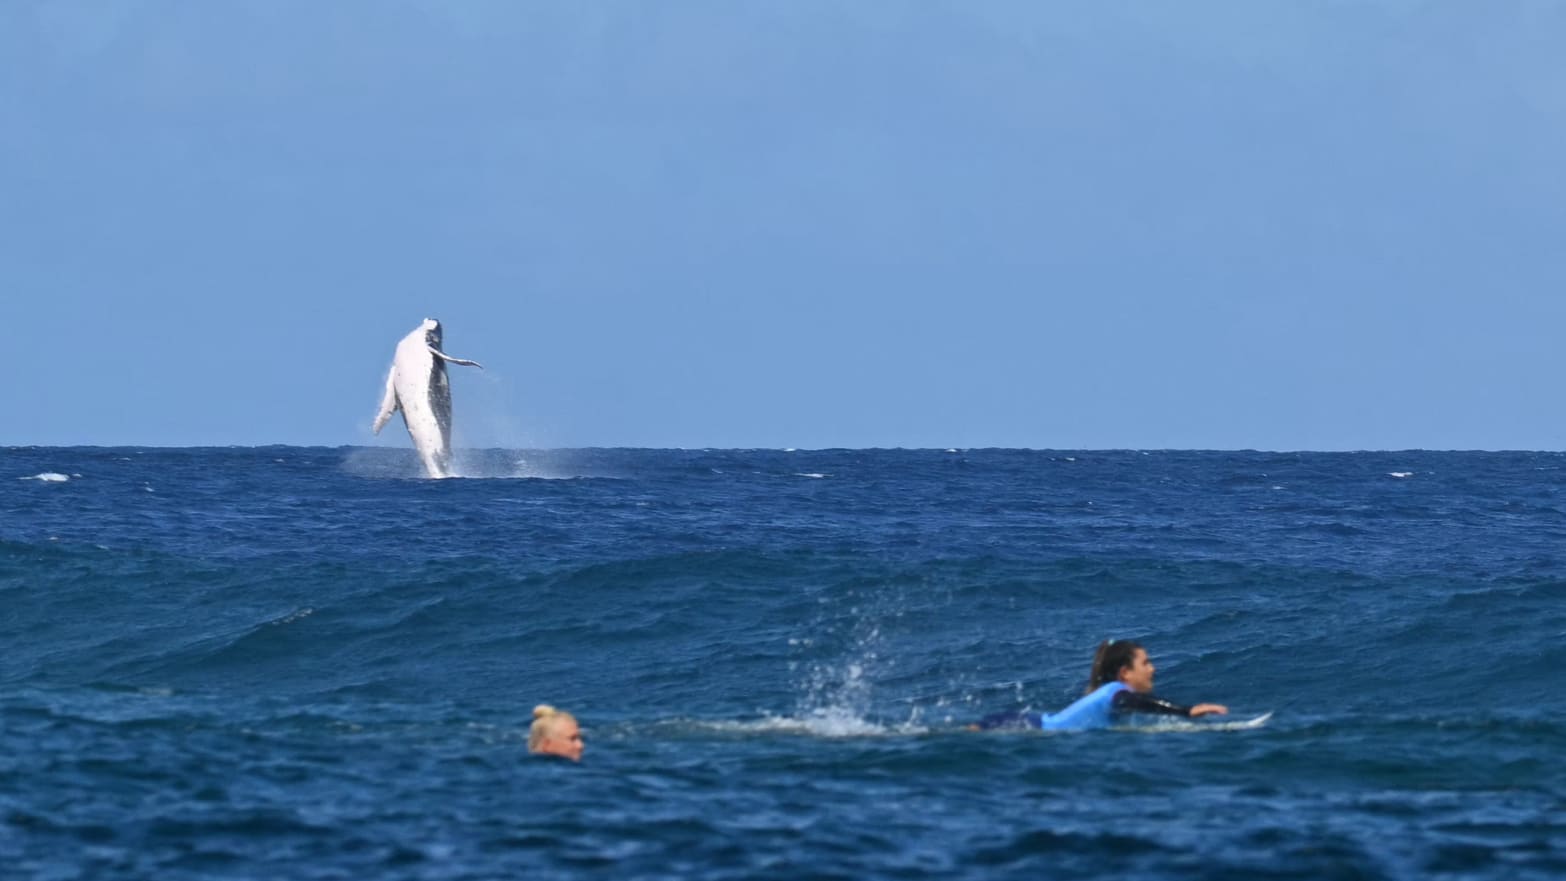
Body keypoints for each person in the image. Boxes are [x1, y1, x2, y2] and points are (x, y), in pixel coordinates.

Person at [972, 640, 1228, 731]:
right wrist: (1186, 712)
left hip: (1024, 722)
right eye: (1146, 663)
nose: (1153, 668)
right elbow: (1134, 703)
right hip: (1021, 726)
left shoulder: (1109, 693)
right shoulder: (1117, 692)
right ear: (1125, 673)